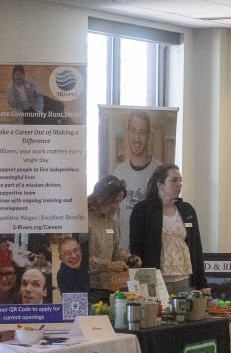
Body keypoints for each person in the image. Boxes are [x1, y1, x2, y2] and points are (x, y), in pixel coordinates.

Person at [126, 164, 206, 292]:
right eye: (174, 180)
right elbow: (136, 247)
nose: (179, 184)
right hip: (154, 279)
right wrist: (137, 283)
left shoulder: (187, 209)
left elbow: (197, 248)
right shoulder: (143, 209)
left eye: (180, 180)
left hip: (185, 278)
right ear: (160, 184)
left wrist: (202, 283)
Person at [110, 110, 160, 242]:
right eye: (133, 130)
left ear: (149, 135)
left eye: (142, 132)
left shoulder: (159, 172)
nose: (137, 138)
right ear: (127, 132)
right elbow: (113, 218)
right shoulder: (118, 173)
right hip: (123, 252)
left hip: (151, 251)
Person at [85, 177, 138, 295]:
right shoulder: (84, 221)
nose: (117, 206)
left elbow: (115, 251)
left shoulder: (112, 222)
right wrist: (108, 265)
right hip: (88, 287)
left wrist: (129, 258)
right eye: (114, 201)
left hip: (110, 286)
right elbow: (81, 260)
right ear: (102, 198)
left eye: (119, 202)